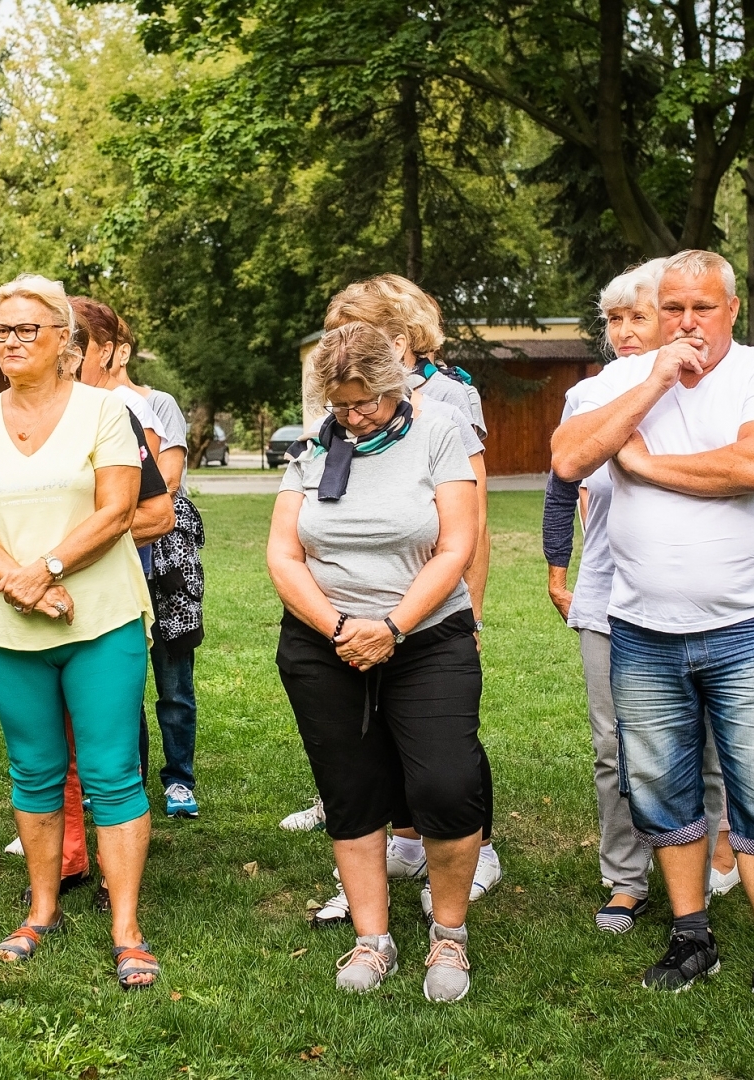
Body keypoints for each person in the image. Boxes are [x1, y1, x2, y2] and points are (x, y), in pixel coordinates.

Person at [552, 248, 754, 1026]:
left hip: (751, 625)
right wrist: (656, 380)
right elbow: (569, 459)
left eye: (704, 308)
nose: (688, 323)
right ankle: (690, 935)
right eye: (674, 308)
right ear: (654, 310)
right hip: (641, 630)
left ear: (732, 311)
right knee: (661, 791)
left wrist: (644, 464)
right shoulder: (612, 385)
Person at [0, 274, 160, 989]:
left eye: (27, 329)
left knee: (110, 774)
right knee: (33, 769)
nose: (10, 341)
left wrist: (47, 569)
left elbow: (117, 509)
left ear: (63, 339)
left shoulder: (104, 411)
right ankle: (42, 909)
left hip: (100, 619)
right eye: (1, 329)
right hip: (8, 623)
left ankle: (126, 928)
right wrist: (22, 583)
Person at [269, 321, 483, 1002]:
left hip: (426, 637)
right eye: (340, 405)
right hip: (323, 643)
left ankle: (449, 934)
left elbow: (456, 545)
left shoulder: (437, 433)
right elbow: (283, 552)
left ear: (395, 388)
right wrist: (337, 626)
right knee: (350, 788)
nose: (352, 418)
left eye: (364, 403)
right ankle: (374, 937)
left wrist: (393, 626)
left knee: (447, 785)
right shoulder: (313, 445)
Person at [543, 259, 738, 934]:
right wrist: (555, 565)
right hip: (610, 592)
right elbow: (565, 478)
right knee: (616, 747)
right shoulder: (594, 394)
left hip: (706, 591)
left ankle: (709, 854)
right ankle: (626, 878)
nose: (624, 332)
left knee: (706, 744)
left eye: (639, 317)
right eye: (613, 320)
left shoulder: (718, 388)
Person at [310, 278, 500, 927]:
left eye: (351, 332)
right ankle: (397, 851)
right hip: (353, 619)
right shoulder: (336, 410)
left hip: (432, 610)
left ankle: (474, 848)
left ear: (394, 338)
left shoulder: (446, 400)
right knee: (373, 745)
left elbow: (470, 518)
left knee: (445, 743)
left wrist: (468, 610)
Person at [89, 305, 204, 820]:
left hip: (165, 558)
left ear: (113, 350)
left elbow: (167, 483)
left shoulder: (153, 406)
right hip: (119, 558)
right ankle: (127, 780)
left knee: (173, 680)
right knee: (123, 678)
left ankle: (179, 779)